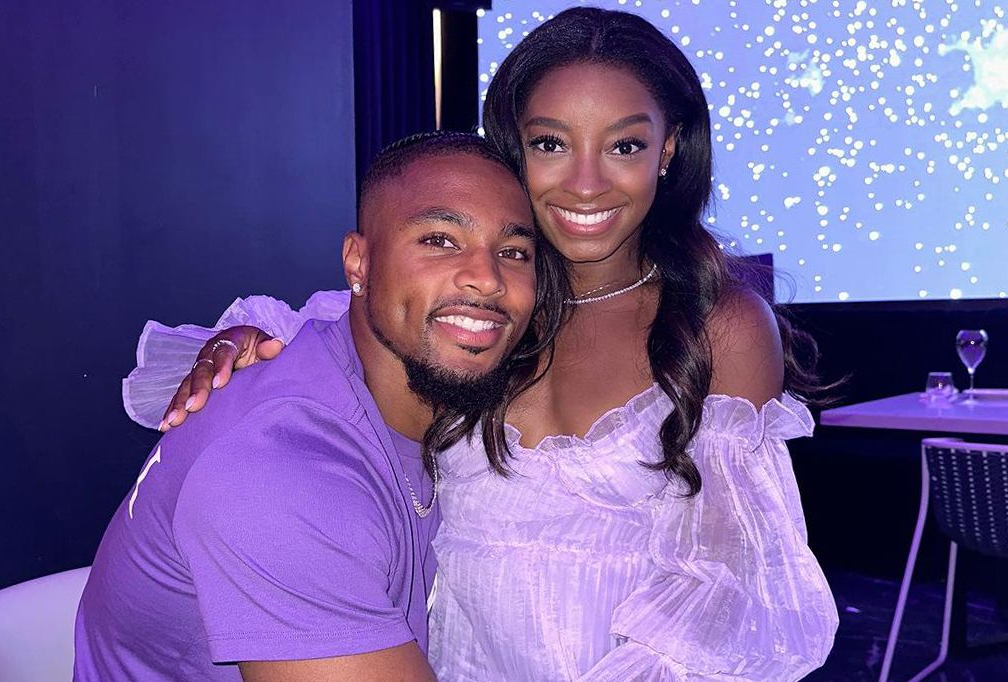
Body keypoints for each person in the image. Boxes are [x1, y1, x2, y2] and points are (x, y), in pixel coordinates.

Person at [124, 8, 839, 681]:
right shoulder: (490, 301)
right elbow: (350, 320)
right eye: (550, 143)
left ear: (667, 149)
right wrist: (241, 338)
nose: (586, 183)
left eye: (623, 144)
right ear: (514, 149)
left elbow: (725, 586)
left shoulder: (717, 325)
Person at [75, 131, 568, 681]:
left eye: (513, 252)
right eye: (439, 239)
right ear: (358, 263)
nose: (487, 277)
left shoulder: (395, 373)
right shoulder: (279, 477)